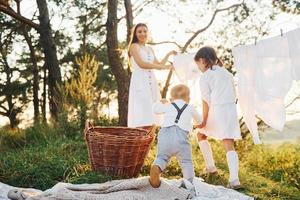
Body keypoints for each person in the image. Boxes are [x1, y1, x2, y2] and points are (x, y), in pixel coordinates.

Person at [194, 46, 242, 189]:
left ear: (202, 60)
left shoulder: (205, 76)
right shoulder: (226, 73)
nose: (199, 68)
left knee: (201, 134)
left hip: (217, 109)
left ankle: (211, 167)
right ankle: (235, 180)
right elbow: (234, 93)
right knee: (228, 142)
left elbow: (205, 100)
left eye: (198, 65)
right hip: (230, 109)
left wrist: (203, 120)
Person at [149, 84, 202, 188]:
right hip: (181, 137)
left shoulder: (168, 105)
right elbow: (199, 120)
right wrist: (192, 122)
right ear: (189, 99)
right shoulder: (190, 108)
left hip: (165, 135)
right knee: (186, 162)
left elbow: (155, 109)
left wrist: (160, 102)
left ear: (170, 98)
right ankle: (189, 184)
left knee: (162, 158)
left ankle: (156, 167)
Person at [127, 23, 177, 128]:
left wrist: (168, 55)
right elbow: (142, 64)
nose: (142, 34)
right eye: (139, 31)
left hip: (151, 82)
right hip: (140, 81)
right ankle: (139, 137)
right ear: (135, 34)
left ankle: (148, 141)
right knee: (142, 111)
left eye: (145, 31)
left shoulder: (149, 49)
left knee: (152, 110)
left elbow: (158, 64)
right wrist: (165, 67)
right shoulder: (134, 47)